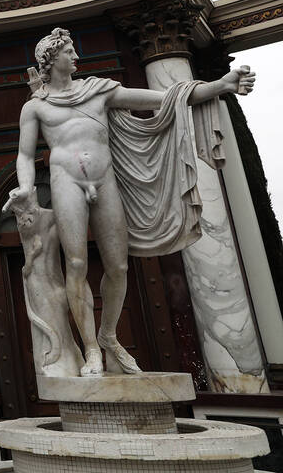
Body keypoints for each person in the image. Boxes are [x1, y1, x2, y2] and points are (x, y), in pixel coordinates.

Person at [14, 28, 254, 376]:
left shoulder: (99, 90)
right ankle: (92, 350)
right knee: (77, 263)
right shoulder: (35, 108)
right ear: (51, 60)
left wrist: (220, 86)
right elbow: (24, 155)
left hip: (105, 179)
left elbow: (164, 98)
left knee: (119, 266)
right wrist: (25, 188)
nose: (76, 57)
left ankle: (109, 336)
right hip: (66, 182)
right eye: (69, 51)